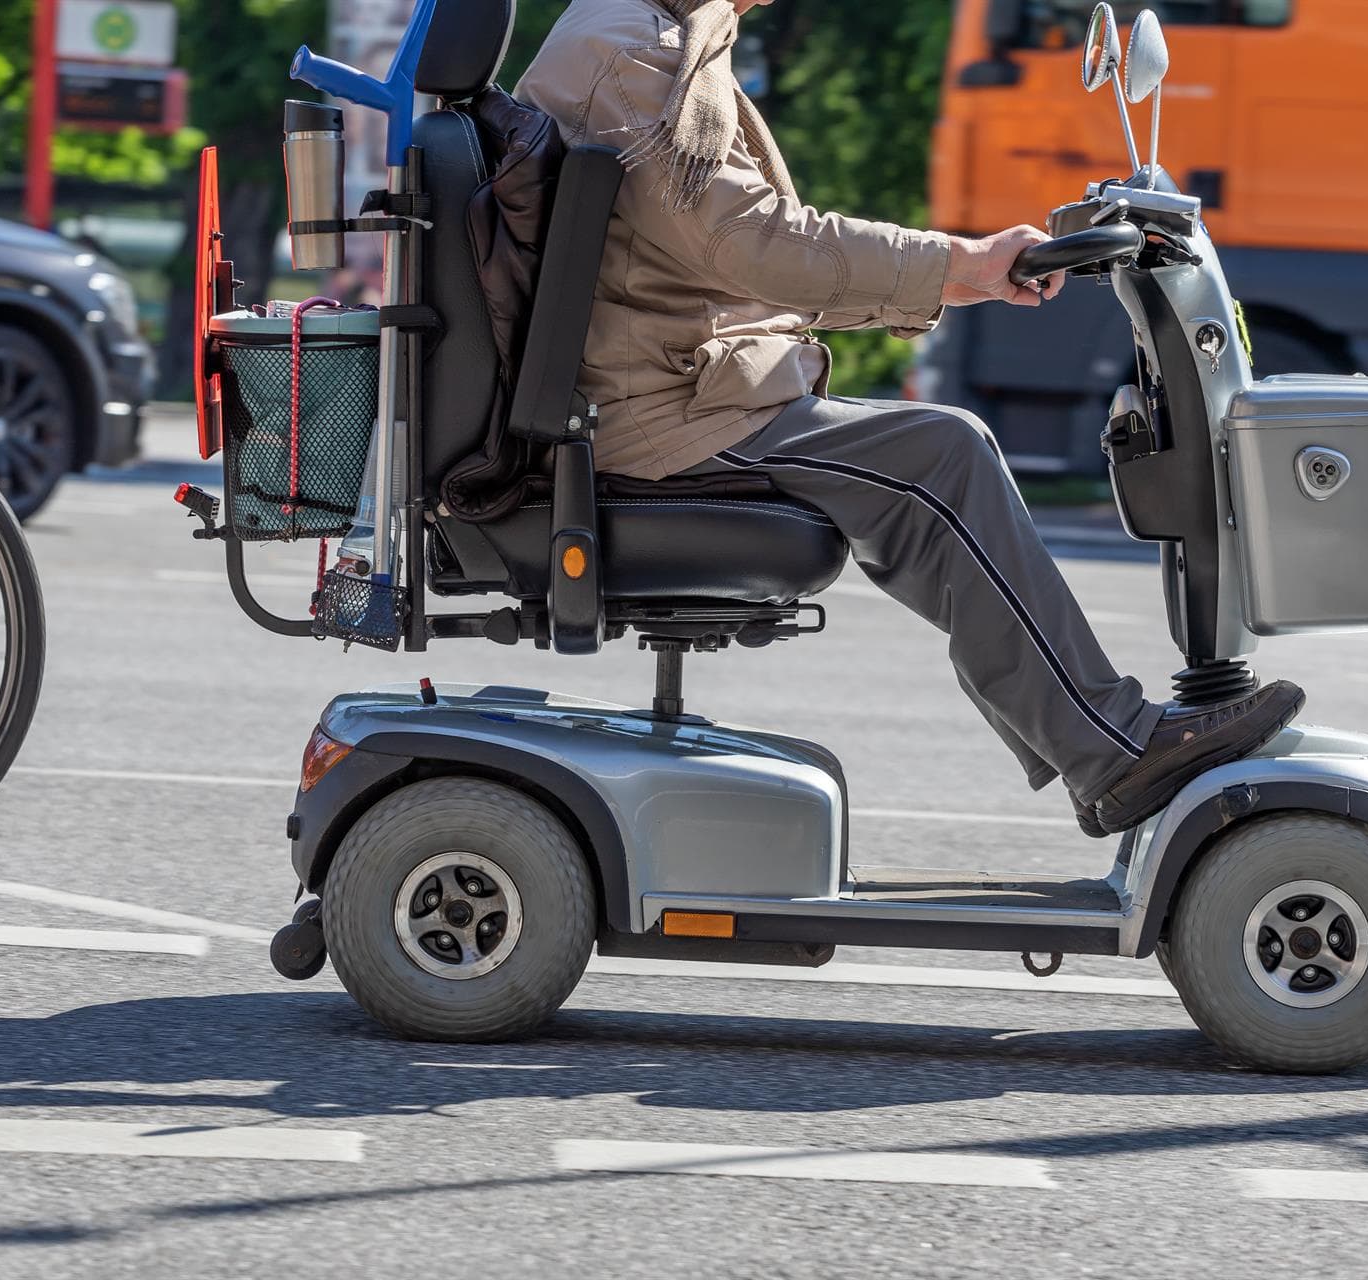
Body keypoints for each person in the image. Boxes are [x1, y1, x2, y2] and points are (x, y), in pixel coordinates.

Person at [517, 0, 1302, 835]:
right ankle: (1111, 753)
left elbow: (725, 263)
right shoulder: (633, 54)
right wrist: (954, 261)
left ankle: (1099, 743)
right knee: (943, 455)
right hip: (667, 415)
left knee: (935, 453)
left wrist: (961, 277)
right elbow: (752, 244)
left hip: (677, 389)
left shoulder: (645, 34)